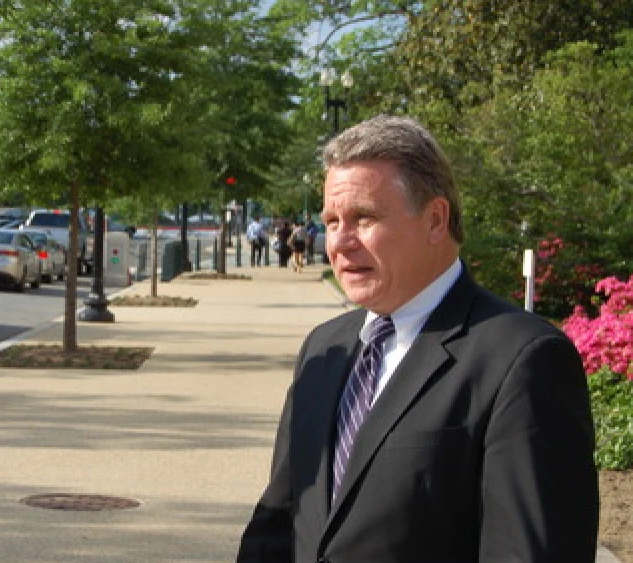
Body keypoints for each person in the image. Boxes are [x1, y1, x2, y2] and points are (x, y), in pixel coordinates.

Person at [236, 115, 597, 562]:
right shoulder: (324, 348)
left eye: (364, 217)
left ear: (435, 220)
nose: (340, 242)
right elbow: (279, 520)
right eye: (331, 221)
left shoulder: (522, 360)